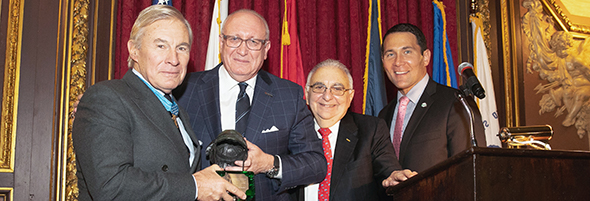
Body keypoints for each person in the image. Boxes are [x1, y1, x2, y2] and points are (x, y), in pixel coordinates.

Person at [73, 5, 246, 201]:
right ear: (134, 50)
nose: (173, 59)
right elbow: (111, 186)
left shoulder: (177, 110)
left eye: (181, 48)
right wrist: (195, 186)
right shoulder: (106, 98)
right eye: (161, 46)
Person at [175, 9, 326, 200]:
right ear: (221, 43)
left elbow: (316, 164)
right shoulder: (184, 90)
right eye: (234, 39)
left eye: (253, 42)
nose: (243, 50)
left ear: (266, 49)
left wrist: (269, 163)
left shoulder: (289, 96)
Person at [301, 59, 417, 201]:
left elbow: (387, 170)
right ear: (307, 93)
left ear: (350, 97)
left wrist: (394, 177)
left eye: (337, 89)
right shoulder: (291, 132)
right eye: (319, 87)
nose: (327, 96)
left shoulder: (371, 130)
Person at [378, 23, 487, 173]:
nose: (398, 62)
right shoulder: (383, 115)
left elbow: (470, 171)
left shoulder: (456, 103)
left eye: (407, 52)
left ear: (426, 57)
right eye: (390, 54)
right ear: (383, 62)